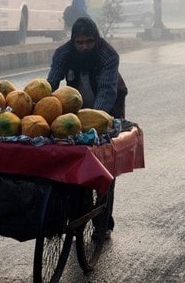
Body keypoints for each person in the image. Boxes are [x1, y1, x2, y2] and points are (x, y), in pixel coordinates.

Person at [47, 17, 128, 237]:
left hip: (108, 110)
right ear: (73, 41)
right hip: (76, 109)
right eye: (79, 42)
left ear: (96, 40)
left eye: (89, 42)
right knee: (74, 162)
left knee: (104, 167)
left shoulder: (108, 55)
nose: (84, 47)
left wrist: (93, 122)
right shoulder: (63, 54)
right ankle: (77, 215)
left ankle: (103, 222)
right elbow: (50, 84)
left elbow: (106, 91)